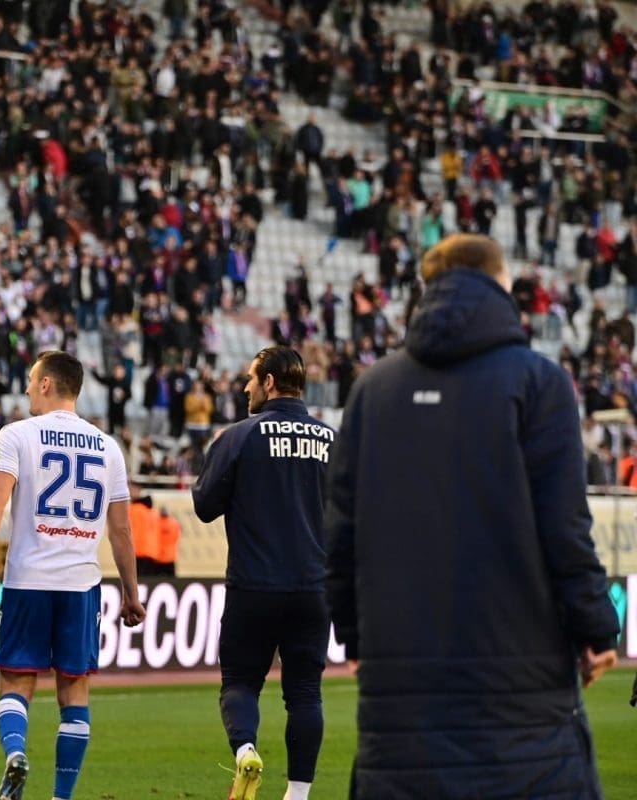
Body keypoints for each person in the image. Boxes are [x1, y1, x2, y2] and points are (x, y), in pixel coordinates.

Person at [325, 233, 620, 799]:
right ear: (501, 284)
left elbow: (340, 536)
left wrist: (355, 637)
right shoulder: (539, 383)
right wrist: (594, 625)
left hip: (399, 692)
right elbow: (564, 526)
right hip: (521, 691)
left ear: (426, 288)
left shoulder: (372, 390)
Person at [0, 350, 145, 800]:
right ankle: (61, 796)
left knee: (15, 685)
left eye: (31, 380)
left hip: (28, 582)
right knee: (74, 693)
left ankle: (16, 753)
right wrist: (131, 593)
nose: (25, 389)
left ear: (46, 384)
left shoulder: (17, 435)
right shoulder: (107, 446)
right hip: (81, 586)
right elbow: (120, 530)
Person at [192, 345, 333, 800]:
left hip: (253, 585)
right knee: (306, 693)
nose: (246, 388)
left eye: (251, 379)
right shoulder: (332, 441)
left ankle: (246, 750)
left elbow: (204, 505)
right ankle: (297, 795)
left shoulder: (239, 436)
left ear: (269, 382)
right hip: (314, 587)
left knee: (240, 682)